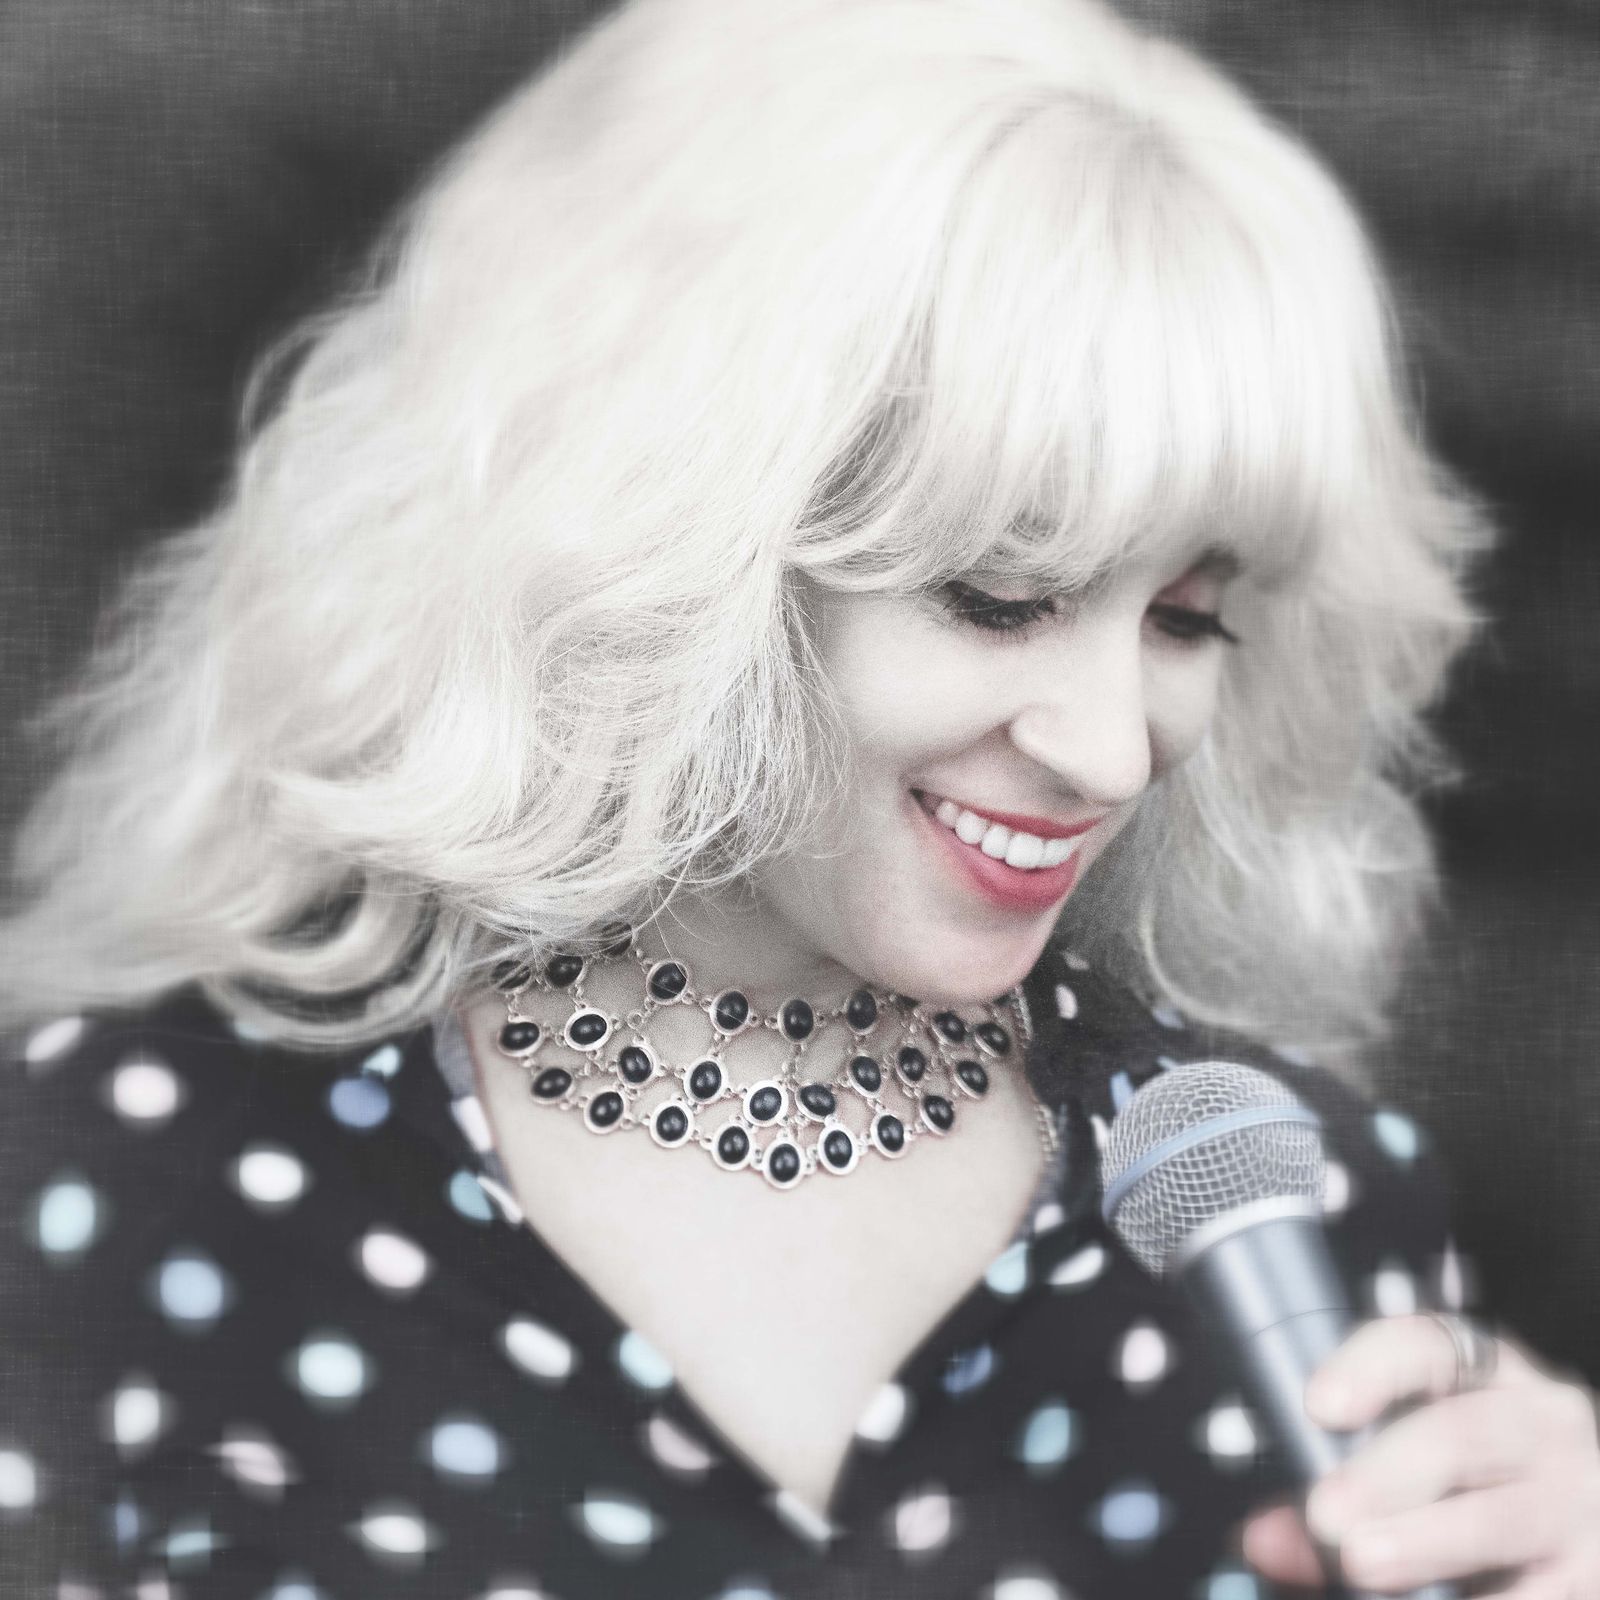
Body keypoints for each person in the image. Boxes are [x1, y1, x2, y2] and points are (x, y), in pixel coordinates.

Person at [2, 0, 1597, 1595]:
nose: (1114, 751)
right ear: (665, 557)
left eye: (1187, 618)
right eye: (1000, 594)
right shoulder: (124, 1174)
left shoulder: (1294, 1214)